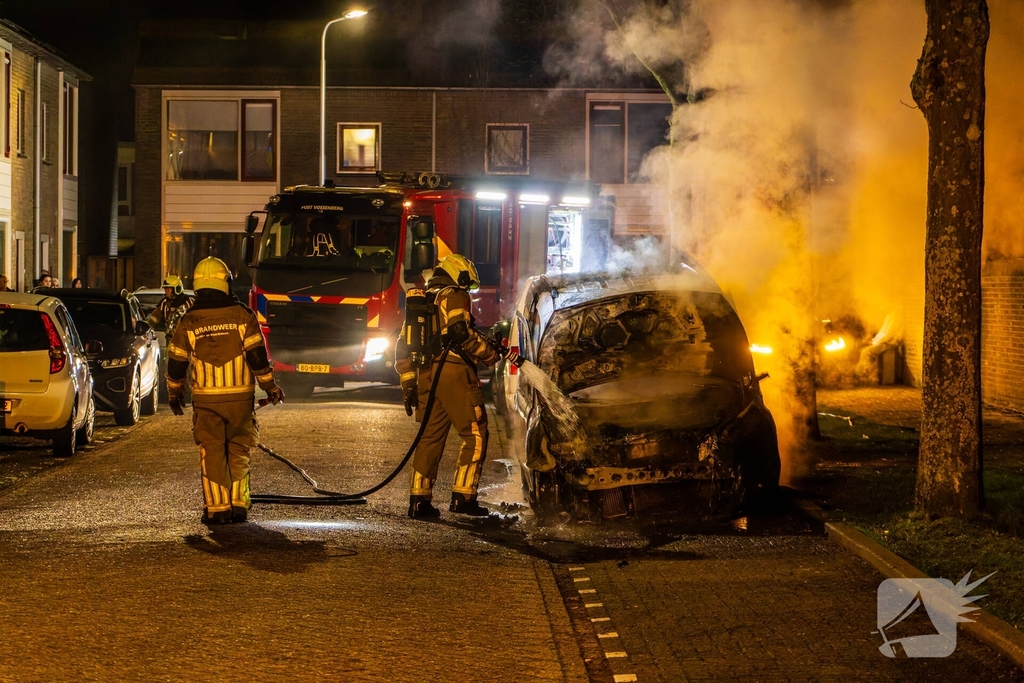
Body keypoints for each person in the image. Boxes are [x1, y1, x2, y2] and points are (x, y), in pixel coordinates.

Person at [395, 253, 522, 519]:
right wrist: (488, 353)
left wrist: (408, 385)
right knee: (475, 434)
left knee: (429, 438)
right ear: (458, 274)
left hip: (427, 376)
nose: (468, 291)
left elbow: (403, 346)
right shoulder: (454, 295)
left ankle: (419, 502)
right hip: (454, 373)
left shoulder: (422, 302)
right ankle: (463, 497)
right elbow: (459, 332)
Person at [166, 257, 284, 524]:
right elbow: (257, 358)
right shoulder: (243, 316)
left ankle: (218, 508)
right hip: (240, 400)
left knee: (212, 451)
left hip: (206, 401)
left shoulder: (189, 321)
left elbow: (176, 363)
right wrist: (270, 387)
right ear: (226, 283)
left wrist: (174, 393)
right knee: (239, 449)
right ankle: (239, 504)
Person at [146, 274, 195, 339]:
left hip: (186, 338)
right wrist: (145, 326)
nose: (166, 291)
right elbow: (153, 319)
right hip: (170, 339)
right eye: (165, 289)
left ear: (176, 289)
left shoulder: (189, 302)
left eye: (168, 289)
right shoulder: (164, 303)